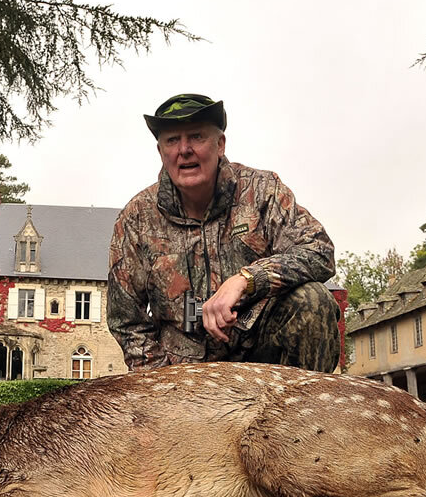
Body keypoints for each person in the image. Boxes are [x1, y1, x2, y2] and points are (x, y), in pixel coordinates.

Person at [107, 93, 340, 372]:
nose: (184, 150)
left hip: (263, 363)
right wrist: (162, 387)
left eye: (196, 137)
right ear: (161, 152)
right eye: (172, 140)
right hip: (181, 374)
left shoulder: (263, 191)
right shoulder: (136, 218)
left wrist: (247, 279)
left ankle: (303, 412)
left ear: (220, 145)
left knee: (313, 300)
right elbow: (127, 321)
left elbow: (320, 250)